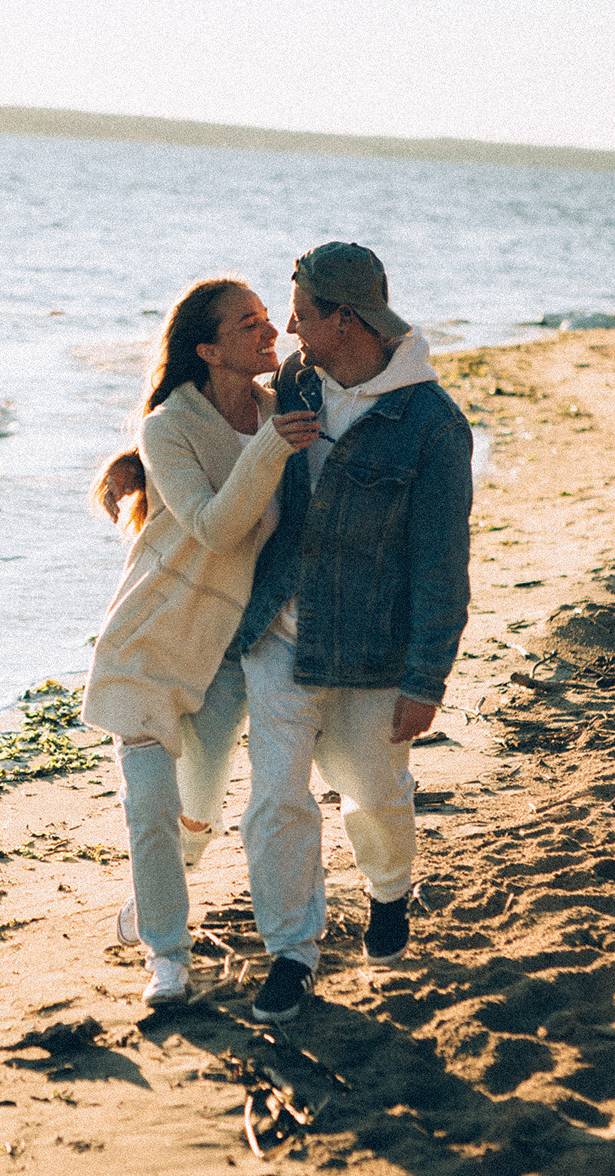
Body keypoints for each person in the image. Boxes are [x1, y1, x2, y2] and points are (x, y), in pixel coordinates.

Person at [236, 242, 473, 1024]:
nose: (288, 327)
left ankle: (387, 892)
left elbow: (441, 564)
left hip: (374, 651)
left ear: (344, 318)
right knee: (276, 799)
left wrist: (425, 679)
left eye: (300, 311)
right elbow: (219, 422)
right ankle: (292, 952)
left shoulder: (432, 424)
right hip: (279, 635)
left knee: (372, 793)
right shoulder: (297, 380)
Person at [82, 278, 319, 1006]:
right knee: (148, 805)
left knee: (194, 821)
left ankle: (147, 905)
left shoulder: (287, 413)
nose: (267, 330)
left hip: (224, 652)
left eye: (265, 318)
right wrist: (270, 450)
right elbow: (215, 528)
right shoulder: (168, 428)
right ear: (207, 348)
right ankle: (167, 960)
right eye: (247, 324)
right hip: (149, 644)